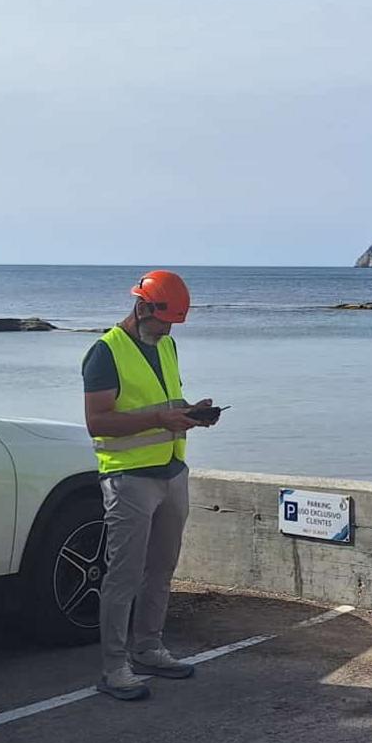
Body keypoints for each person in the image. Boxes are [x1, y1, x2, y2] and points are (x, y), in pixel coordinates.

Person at [82, 270, 220, 701]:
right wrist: (161, 419)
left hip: (172, 470)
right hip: (129, 479)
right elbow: (97, 421)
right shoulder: (105, 352)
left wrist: (189, 412)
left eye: (174, 324)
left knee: (162, 568)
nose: (169, 330)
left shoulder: (168, 345)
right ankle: (114, 666)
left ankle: (148, 647)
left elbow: (165, 400)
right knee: (123, 575)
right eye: (164, 322)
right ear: (143, 308)